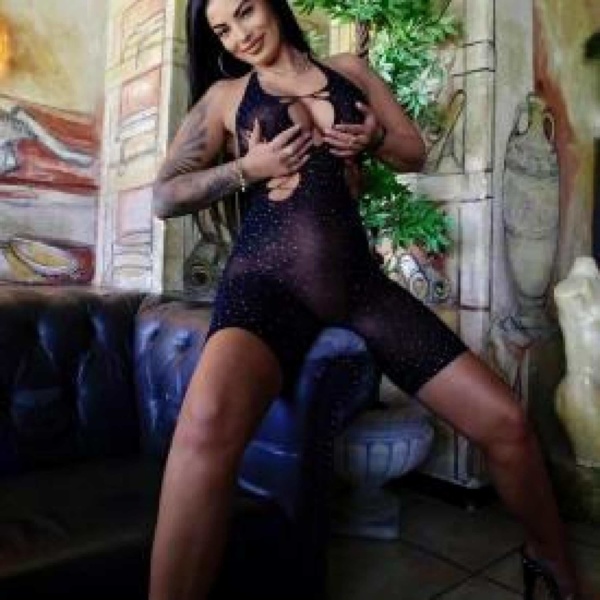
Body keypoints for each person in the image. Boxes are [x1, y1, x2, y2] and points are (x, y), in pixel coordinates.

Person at [149, 1, 582, 599]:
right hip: (265, 288)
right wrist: (248, 167)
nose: (239, 35)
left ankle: (553, 565)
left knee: (506, 422)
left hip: (358, 286)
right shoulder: (227, 97)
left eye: (245, 12)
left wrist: (375, 138)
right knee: (204, 425)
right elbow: (165, 196)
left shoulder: (350, 71)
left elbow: (414, 151)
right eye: (222, 29)